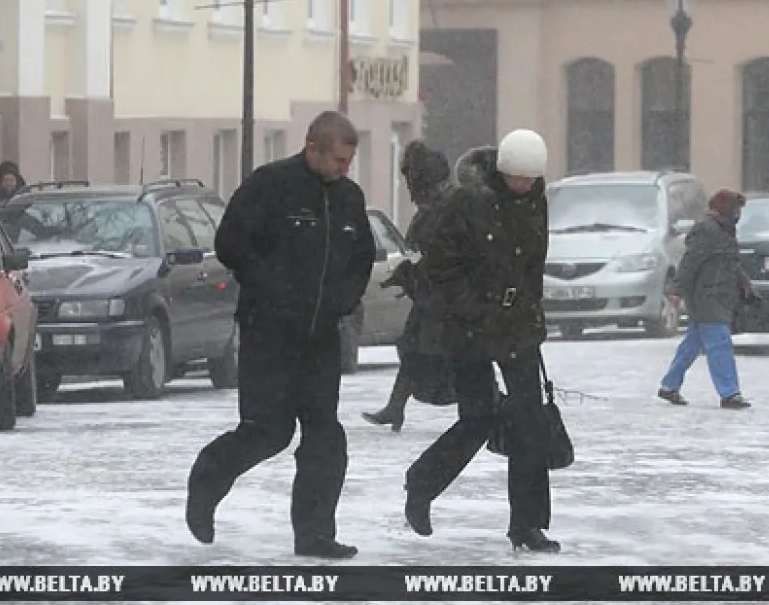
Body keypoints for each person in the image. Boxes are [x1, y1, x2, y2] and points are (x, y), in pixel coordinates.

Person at [184, 111, 377, 559]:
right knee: (268, 431)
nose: (344, 169)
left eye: (349, 162)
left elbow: (362, 256)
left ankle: (315, 535)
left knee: (325, 436)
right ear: (313, 148)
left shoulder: (348, 197)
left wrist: (344, 300)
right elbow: (231, 243)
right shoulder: (270, 185)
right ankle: (208, 478)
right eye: (338, 160)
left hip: (321, 337)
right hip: (269, 332)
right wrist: (272, 288)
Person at [402, 129, 559, 553]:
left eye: (532, 179)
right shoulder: (467, 201)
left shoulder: (534, 200)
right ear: (502, 170)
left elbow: (533, 264)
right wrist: (472, 308)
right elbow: (441, 266)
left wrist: (531, 314)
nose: (525, 186)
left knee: (529, 423)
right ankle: (422, 484)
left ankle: (528, 526)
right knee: (478, 418)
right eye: (518, 179)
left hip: (517, 324)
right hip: (469, 327)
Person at [362, 140, 457, 431]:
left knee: (460, 357)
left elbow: (444, 256)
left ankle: (493, 405)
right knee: (414, 349)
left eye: (415, 187)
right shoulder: (429, 213)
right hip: (431, 300)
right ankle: (396, 406)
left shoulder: (451, 210)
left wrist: (419, 272)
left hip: (450, 301)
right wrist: (408, 273)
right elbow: (417, 253)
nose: (413, 196)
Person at [656, 189, 756, 410]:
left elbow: (730, 262)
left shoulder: (724, 230)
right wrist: (677, 290)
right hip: (706, 296)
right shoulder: (706, 230)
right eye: (737, 209)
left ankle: (669, 385)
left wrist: (745, 283)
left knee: (692, 344)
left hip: (718, 295)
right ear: (726, 209)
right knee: (720, 345)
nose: (739, 214)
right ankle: (730, 393)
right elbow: (690, 262)